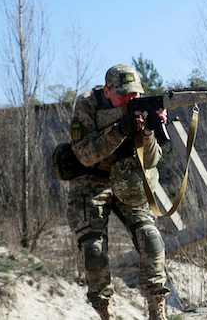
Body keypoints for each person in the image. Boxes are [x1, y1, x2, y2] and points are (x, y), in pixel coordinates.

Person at [69, 64, 169, 320]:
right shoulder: (87, 105)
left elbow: (151, 160)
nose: (131, 99)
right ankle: (105, 313)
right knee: (94, 251)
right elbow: (85, 155)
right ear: (107, 91)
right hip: (89, 179)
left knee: (151, 238)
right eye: (124, 94)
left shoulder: (141, 105)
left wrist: (148, 131)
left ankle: (157, 310)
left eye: (135, 93)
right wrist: (118, 131)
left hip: (128, 178)